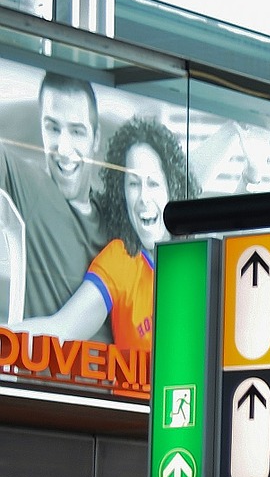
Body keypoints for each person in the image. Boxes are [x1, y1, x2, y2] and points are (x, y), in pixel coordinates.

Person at [21, 116, 191, 349]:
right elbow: (61, 329)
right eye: (133, 184)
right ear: (121, 192)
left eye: (153, 183)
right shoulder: (121, 260)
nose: (143, 197)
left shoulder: (196, 258)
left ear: (173, 188)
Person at [0, 73, 104, 328]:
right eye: (53, 128)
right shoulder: (27, 185)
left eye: (77, 131)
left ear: (96, 138)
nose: (64, 148)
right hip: (37, 364)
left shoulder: (116, 213)